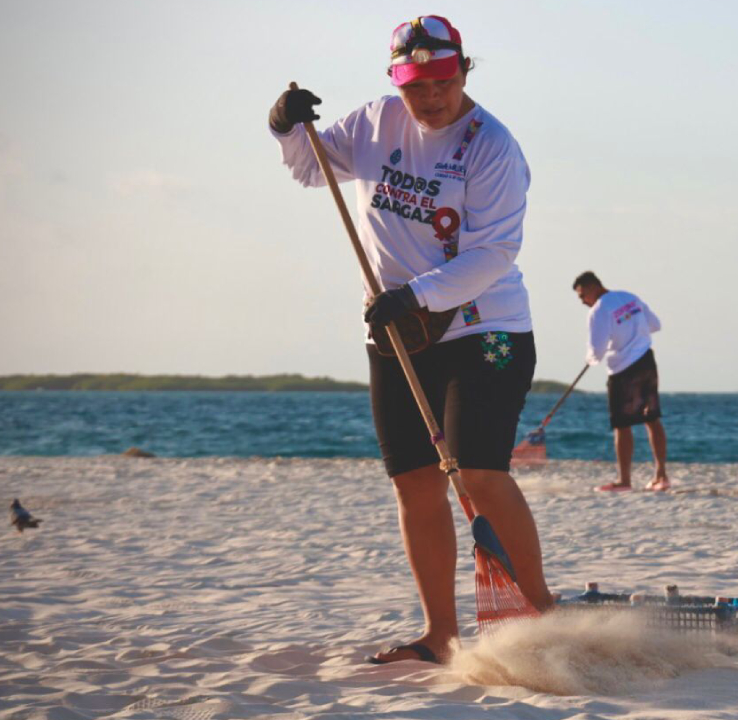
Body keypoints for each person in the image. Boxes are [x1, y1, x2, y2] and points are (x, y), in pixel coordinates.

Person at [268, 14, 551, 664]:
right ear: (396, 81)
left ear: (464, 72)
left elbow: (496, 253)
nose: (431, 99)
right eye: (416, 86)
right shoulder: (373, 123)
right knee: (415, 481)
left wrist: (416, 295)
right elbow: (310, 169)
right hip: (398, 332)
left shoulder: (492, 146)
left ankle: (543, 614)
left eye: (443, 83)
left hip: (485, 327)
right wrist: (283, 125)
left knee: (478, 471)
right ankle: (439, 635)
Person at [573, 271, 669, 492]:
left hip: (623, 368)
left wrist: (591, 358)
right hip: (646, 360)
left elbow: (596, 351)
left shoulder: (598, 310)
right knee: (652, 418)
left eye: (581, 295)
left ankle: (624, 480)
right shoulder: (629, 297)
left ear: (591, 287)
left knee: (622, 425)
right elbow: (655, 324)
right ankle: (661, 476)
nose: (582, 301)